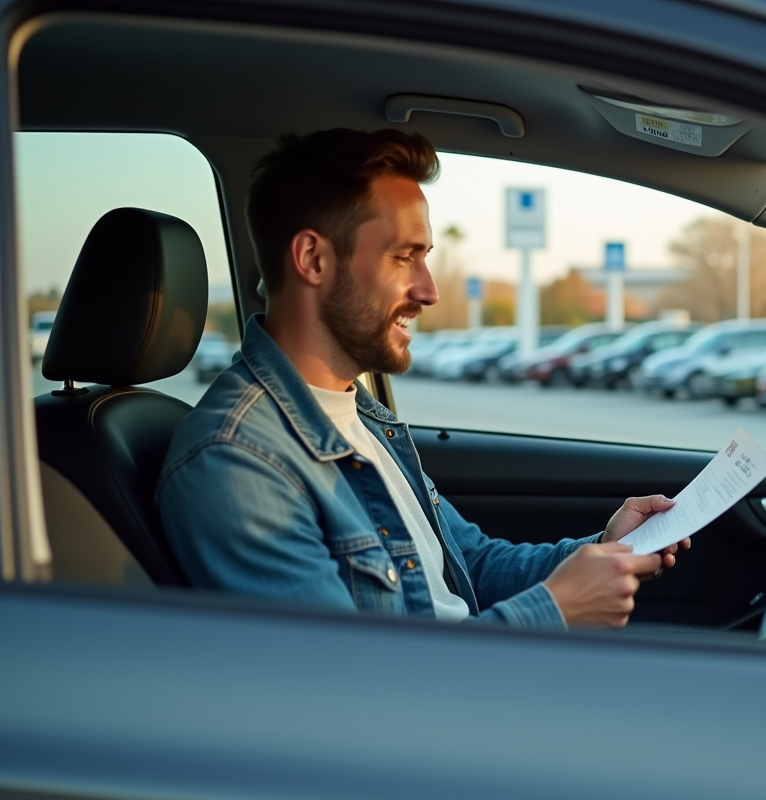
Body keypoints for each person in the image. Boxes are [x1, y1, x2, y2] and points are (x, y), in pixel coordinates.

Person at [157, 128, 688, 628]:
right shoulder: (237, 462)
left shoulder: (358, 414)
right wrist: (556, 610)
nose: (430, 290)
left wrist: (603, 550)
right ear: (313, 259)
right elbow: (351, 693)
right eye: (403, 257)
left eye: (425, 257)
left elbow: (469, 568)